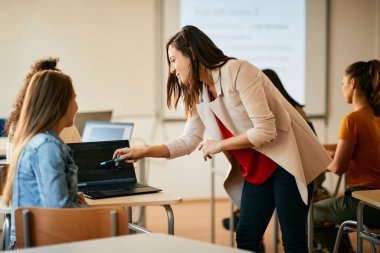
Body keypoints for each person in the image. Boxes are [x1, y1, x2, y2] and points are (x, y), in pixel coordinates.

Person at [113, 26, 331, 252]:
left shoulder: (238, 71)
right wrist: (143, 151)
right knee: (246, 237)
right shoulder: (200, 92)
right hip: (258, 170)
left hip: (286, 161)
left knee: (293, 241)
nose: (172, 69)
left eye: (173, 60)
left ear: (192, 54)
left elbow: (266, 130)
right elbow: (188, 141)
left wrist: (219, 145)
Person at [2, 70, 88, 249]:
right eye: (74, 98)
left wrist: (72, 198)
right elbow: (58, 213)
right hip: (42, 246)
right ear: (60, 103)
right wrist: (87, 211)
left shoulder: (39, 141)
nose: (77, 107)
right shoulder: (47, 147)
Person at [313, 60, 380, 253]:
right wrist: (322, 149)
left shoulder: (352, 120)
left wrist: (317, 160)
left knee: (309, 213)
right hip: (377, 200)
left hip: (363, 204)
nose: (342, 88)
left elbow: (337, 168)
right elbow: (351, 147)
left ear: (353, 83)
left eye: (343, 83)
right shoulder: (374, 119)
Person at [4, 57, 81, 161]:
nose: (77, 107)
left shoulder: (20, 126)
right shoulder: (52, 142)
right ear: (56, 101)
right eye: (72, 98)